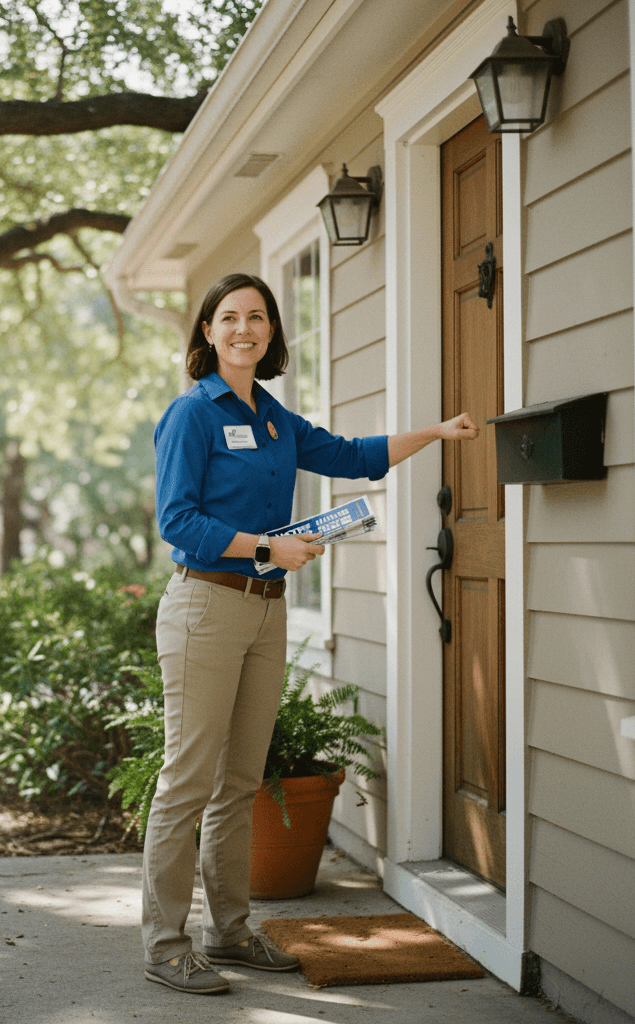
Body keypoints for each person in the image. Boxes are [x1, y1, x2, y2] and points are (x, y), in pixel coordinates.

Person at [143, 272, 479, 995]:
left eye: (257, 317)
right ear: (207, 332)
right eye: (228, 317)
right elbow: (176, 521)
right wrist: (265, 548)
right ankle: (164, 944)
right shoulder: (191, 414)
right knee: (188, 781)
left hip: (266, 611)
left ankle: (229, 932)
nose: (244, 328)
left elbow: (352, 455)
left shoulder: (271, 417)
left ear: (271, 333)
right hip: (206, 606)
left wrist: (438, 432)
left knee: (238, 782)